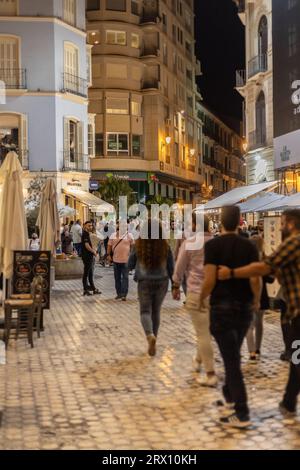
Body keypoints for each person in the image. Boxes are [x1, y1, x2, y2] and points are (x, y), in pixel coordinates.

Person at [218, 209, 300, 420]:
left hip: (299, 314)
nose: (279, 227)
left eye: (282, 223)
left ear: (290, 224)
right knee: (296, 359)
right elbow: (277, 273)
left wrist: (233, 273)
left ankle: (289, 403)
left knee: (297, 359)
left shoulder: (294, 242)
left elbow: (265, 268)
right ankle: (289, 403)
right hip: (295, 312)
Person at [200, 205, 261, 428]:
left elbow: (210, 279)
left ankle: (242, 412)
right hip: (244, 308)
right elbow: (255, 276)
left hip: (222, 309)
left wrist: (200, 298)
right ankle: (229, 396)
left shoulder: (213, 246)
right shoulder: (248, 245)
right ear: (239, 221)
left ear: (221, 222)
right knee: (233, 354)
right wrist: (255, 299)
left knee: (232, 361)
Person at [172, 214, 217, 386]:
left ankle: (211, 373)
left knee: (203, 333)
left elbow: (180, 267)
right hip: (215, 293)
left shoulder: (190, 243)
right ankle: (198, 362)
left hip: (196, 292)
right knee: (206, 331)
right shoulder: (216, 242)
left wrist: (175, 286)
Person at [128, 220, 174, 356]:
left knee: (145, 312)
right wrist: (176, 284)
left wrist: (130, 267)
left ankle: (149, 335)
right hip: (162, 281)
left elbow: (130, 263)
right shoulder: (165, 245)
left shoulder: (138, 245)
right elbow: (171, 266)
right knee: (156, 312)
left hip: (144, 281)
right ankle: (154, 338)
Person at [246, 235, 274, 360]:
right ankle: (257, 348)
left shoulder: (245, 259)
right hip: (262, 295)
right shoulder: (264, 259)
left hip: (247, 294)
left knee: (249, 325)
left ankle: (251, 351)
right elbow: (270, 279)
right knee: (259, 323)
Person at [107, 222, 134, 301]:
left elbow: (133, 247)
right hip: (116, 260)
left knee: (125, 277)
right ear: (119, 226)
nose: (123, 227)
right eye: (122, 225)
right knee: (117, 278)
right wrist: (108, 255)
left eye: (125, 226)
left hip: (126, 260)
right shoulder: (113, 235)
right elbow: (109, 246)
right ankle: (119, 293)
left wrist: (132, 258)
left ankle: (124, 294)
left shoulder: (130, 235)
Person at [81, 221, 101, 296]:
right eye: (89, 226)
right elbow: (86, 245)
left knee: (90, 273)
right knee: (86, 273)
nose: (90, 227)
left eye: (91, 226)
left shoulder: (87, 234)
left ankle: (93, 288)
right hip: (87, 256)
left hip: (89, 255)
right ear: (85, 226)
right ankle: (85, 289)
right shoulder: (85, 234)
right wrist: (93, 252)